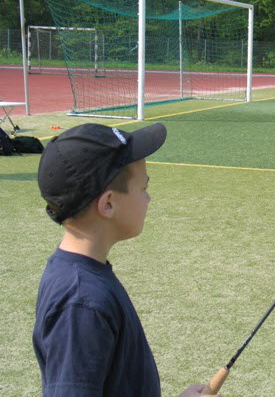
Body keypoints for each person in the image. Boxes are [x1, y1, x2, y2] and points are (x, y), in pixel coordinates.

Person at [33, 123, 212, 397]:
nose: (149, 198)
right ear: (107, 204)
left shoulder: (83, 278)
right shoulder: (82, 303)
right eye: (143, 187)